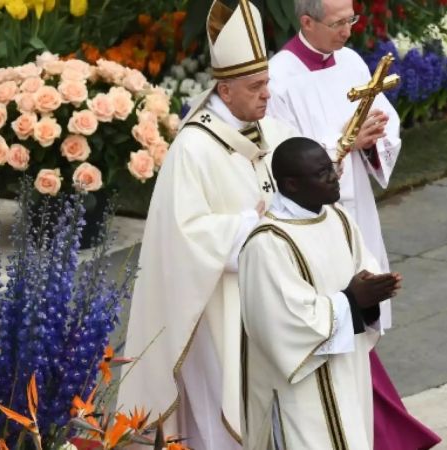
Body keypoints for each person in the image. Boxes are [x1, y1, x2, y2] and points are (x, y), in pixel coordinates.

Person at [116, 1, 297, 448]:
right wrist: (246, 225)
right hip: (217, 308)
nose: (266, 94)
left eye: (267, 82)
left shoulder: (271, 131)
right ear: (226, 89)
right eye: (256, 86)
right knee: (225, 423)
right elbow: (184, 238)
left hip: (270, 301)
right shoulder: (193, 149)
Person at [267, 0, 441, 448]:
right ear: (306, 22)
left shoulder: (348, 61)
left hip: (356, 207)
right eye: (339, 23)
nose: (349, 31)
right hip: (314, 219)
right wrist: (343, 142)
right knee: (340, 315)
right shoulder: (281, 77)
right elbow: (281, 160)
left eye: (352, 20)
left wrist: (378, 134)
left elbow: (384, 114)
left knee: (366, 315)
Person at [239, 136, 399, 450]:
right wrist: (353, 300)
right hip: (300, 391)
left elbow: (362, 272)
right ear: (292, 184)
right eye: (322, 172)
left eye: (331, 168)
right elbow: (281, 327)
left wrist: (373, 297)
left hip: (347, 373)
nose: (334, 176)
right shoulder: (268, 243)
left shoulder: (339, 218)